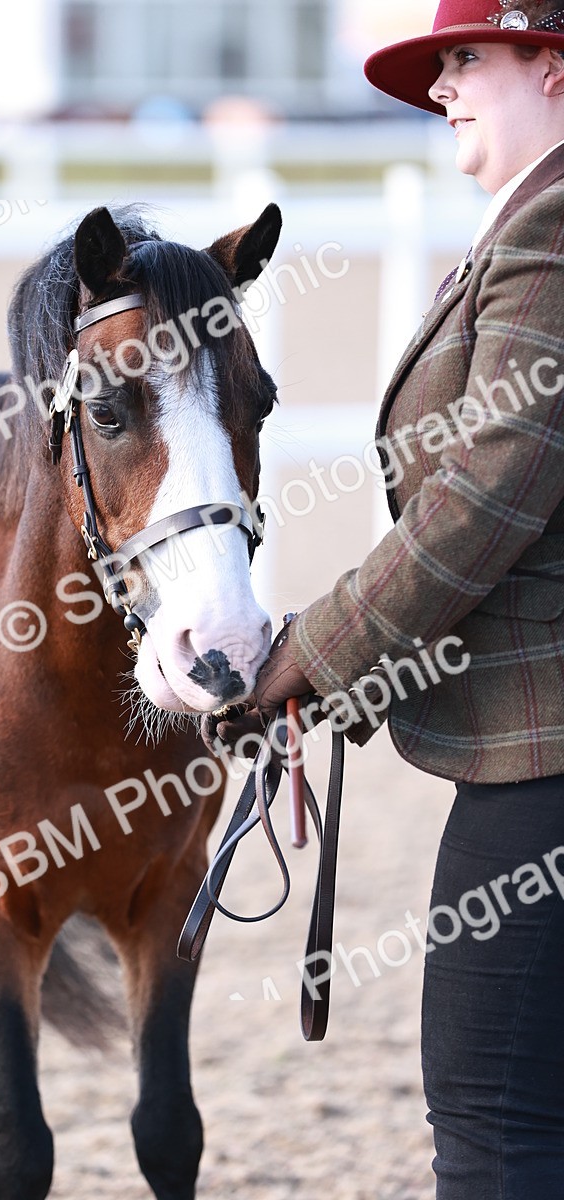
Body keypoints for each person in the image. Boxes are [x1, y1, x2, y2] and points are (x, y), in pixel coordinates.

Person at [205, 2, 564, 1196]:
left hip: (544, 759)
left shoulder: (552, 232)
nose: (442, 87)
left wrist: (315, 651)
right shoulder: (518, 226)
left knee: (493, 1122)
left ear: (551, 67)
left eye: (466, 57)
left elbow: (484, 500)